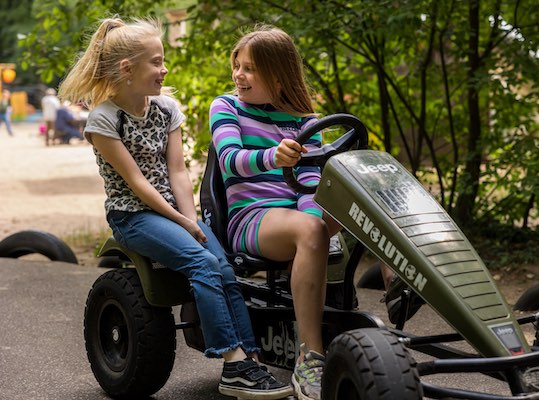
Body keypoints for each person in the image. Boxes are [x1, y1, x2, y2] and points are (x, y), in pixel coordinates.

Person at [58, 17, 293, 400]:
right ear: (127, 69)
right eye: (156, 62)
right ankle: (232, 365)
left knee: (223, 267)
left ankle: (250, 358)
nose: (164, 69)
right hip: (133, 215)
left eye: (163, 60)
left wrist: (193, 220)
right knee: (201, 264)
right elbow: (137, 183)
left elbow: (178, 172)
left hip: (175, 211)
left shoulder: (167, 108)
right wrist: (182, 222)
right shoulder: (104, 119)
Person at [209, 26, 334, 400]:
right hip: (253, 217)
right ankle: (311, 358)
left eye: (250, 69)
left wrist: (312, 216)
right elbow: (230, 161)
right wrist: (271, 156)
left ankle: (399, 282)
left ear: (278, 76)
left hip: (297, 214)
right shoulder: (226, 106)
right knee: (311, 232)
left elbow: (311, 180)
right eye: (237, 66)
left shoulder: (305, 119)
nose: (238, 75)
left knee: (364, 203)